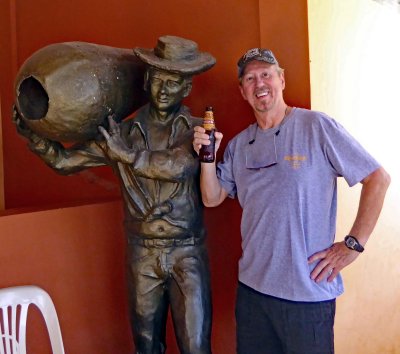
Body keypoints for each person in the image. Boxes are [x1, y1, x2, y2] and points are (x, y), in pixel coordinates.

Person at [14, 35, 216, 354]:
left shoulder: (196, 130)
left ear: (186, 88)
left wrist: (127, 156)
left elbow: (180, 166)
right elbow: (66, 161)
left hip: (187, 253)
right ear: (147, 80)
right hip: (142, 253)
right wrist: (36, 137)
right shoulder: (120, 134)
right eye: (158, 79)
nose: (163, 89)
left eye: (173, 82)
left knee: (196, 346)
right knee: (146, 345)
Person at [193, 47, 391, 354]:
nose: (259, 83)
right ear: (242, 91)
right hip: (253, 295)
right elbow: (212, 197)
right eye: (250, 78)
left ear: (281, 80)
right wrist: (207, 156)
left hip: (308, 297)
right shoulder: (239, 145)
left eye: (266, 75)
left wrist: (353, 245)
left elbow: (377, 178)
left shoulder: (316, 127)